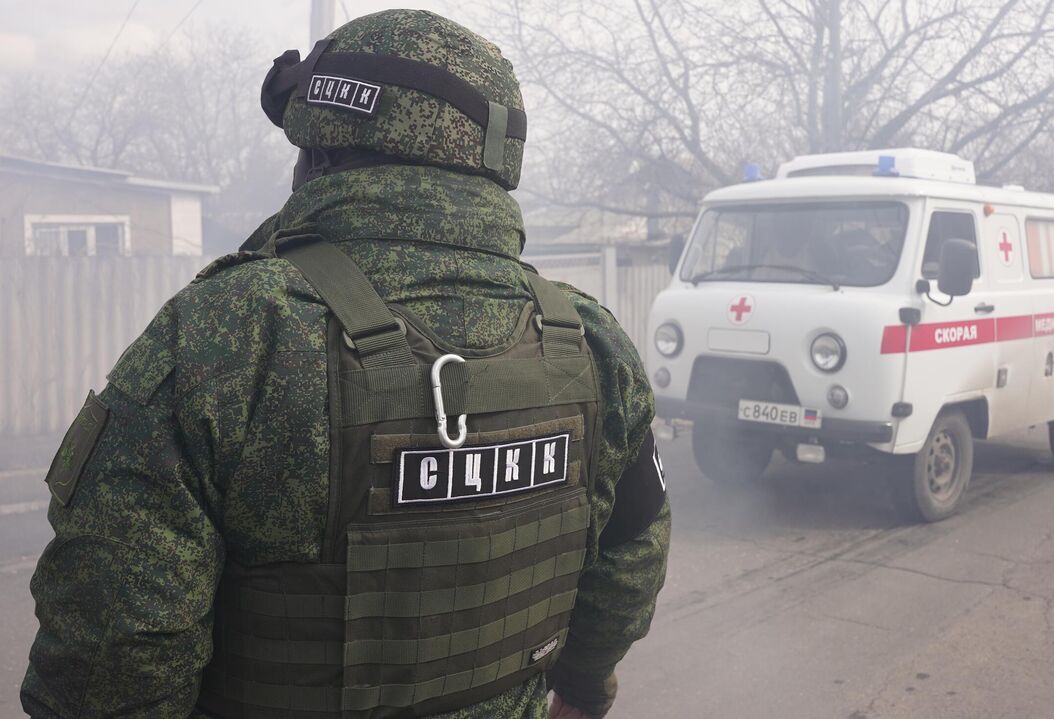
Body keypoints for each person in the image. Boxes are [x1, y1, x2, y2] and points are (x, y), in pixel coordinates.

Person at [22, 10, 670, 719]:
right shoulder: (593, 344)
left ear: (320, 152)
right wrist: (579, 686)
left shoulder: (228, 335)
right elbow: (632, 552)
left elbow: (110, 657)